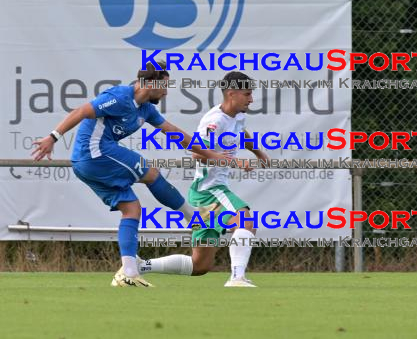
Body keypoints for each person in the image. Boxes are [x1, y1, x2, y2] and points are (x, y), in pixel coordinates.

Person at [32, 61, 229, 287]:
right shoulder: (119, 96)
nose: (166, 91)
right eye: (163, 86)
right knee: (151, 173)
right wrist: (52, 137)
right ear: (147, 83)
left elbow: (174, 132)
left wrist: (211, 155)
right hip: (94, 154)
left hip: (91, 163)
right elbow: (81, 111)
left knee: (132, 209)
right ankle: (194, 219)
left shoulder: (146, 109)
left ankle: (129, 273)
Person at [138, 71, 269, 287]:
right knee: (244, 220)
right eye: (247, 94)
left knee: (200, 266)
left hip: (204, 195)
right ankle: (237, 278)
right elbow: (197, 154)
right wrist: (235, 162)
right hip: (209, 190)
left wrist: (258, 153)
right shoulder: (214, 121)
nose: (251, 99)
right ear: (231, 94)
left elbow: (240, 131)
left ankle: (140, 265)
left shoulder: (237, 115)